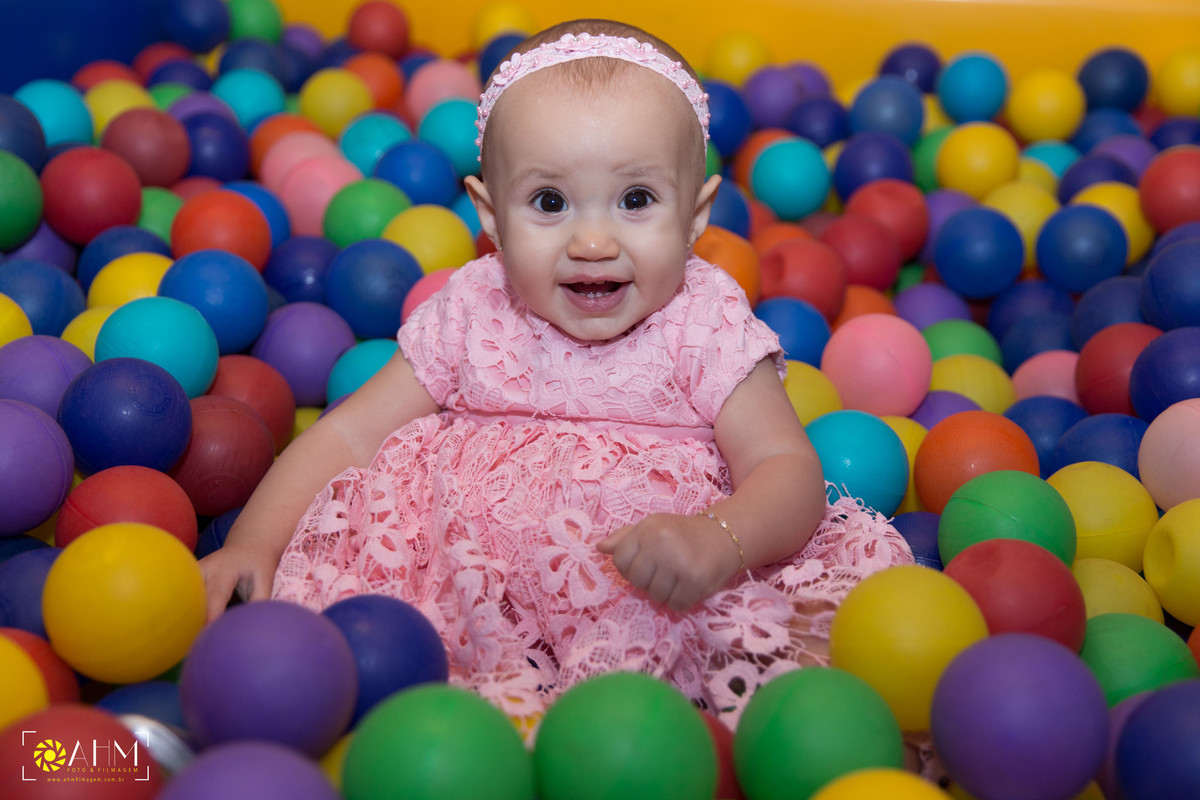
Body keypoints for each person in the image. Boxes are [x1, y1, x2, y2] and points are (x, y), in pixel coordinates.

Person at [201, 17, 913, 724]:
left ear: (696, 216)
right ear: (490, 215)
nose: (593, 241)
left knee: (761, 694)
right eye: (550, 202)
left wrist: (721, 538)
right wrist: (254, 541)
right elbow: (350, 434)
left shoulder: (704, 321)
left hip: (651, 600)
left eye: (636, 200)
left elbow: (787, 469)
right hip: (456, 596)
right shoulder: (473, 307)